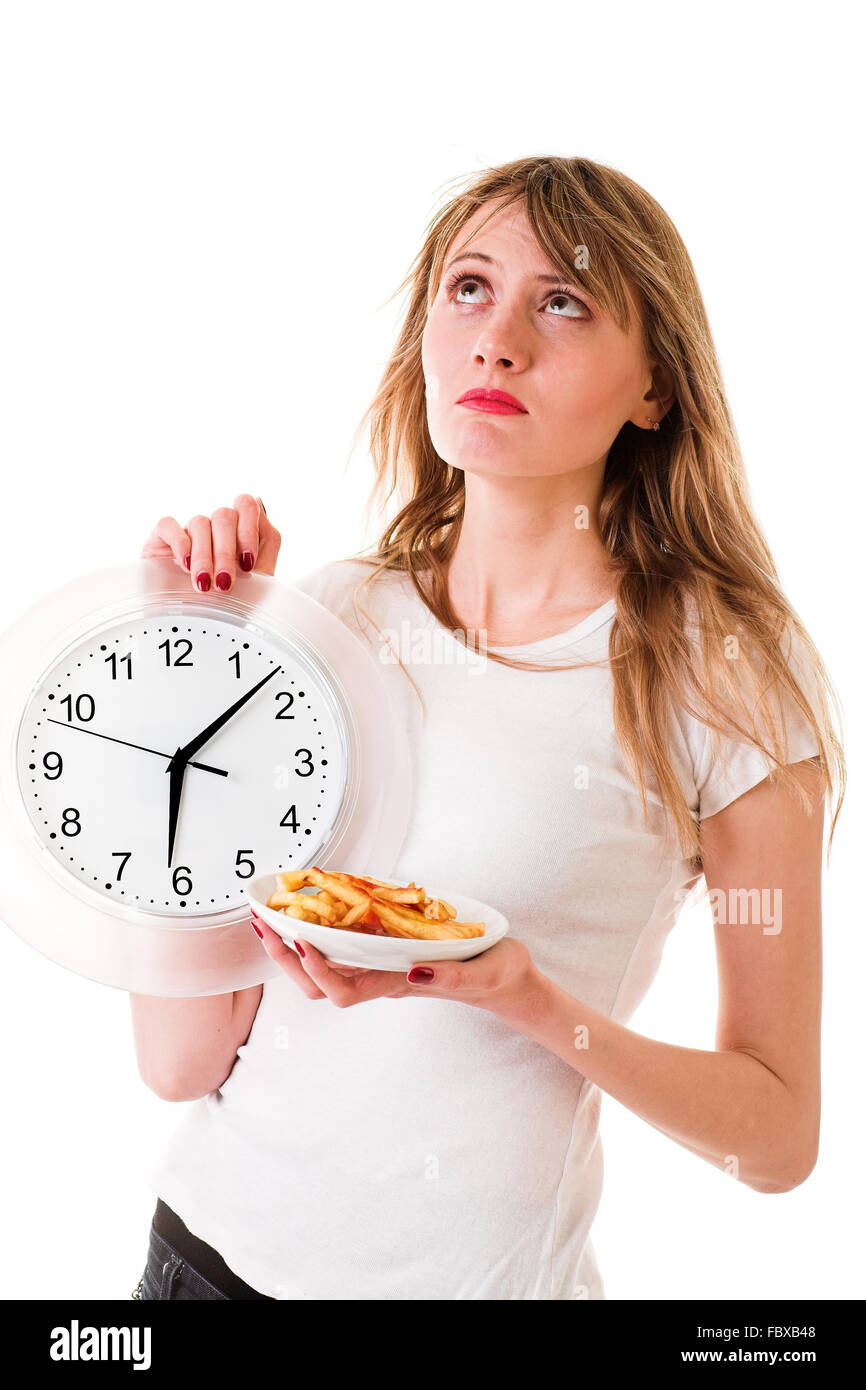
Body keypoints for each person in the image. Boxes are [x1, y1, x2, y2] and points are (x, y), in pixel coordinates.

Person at [130, 154, 845, 1302]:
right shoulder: (326, 616)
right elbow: (181, 1061)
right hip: (201, 1267)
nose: (495, 339)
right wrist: (191, 678)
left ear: (653, 388)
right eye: (467, 287)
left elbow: (773, 1139)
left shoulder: (724, 676)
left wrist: (527, 1000)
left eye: (561, 300)